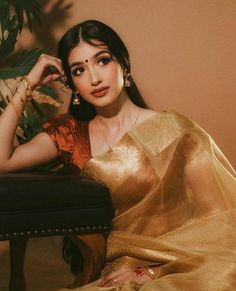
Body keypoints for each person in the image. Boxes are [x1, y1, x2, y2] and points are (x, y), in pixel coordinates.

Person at [0, 20, 236, 291]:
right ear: (72, 83)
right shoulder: (71, 135)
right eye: (79, 70)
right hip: (115, 272)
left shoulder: (174, 131)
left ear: (124, 65)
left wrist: (152, 272)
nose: (94, 78)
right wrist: (28, 83)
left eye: (102, 61)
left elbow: (222, 222)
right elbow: (2, 161)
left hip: (179, 264)